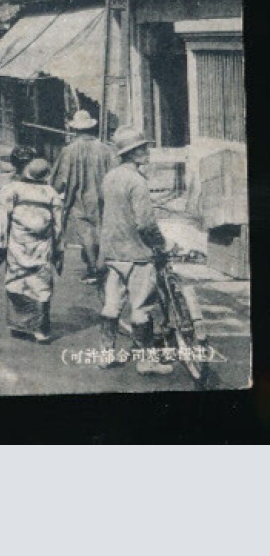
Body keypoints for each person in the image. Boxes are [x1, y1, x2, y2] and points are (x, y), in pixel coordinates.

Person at [98, 125, 174, 375]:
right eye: (141, 148)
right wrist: (161, 244)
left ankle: (105, 354)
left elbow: (106, 213)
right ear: (130, 153)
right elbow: (145, 223)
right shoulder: (137, 181)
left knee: (111, 306)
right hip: (138, 254)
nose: (146, 151)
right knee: (141, 309)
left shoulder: (110, 177)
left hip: (113, 252)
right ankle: (146, 361)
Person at [0, 155, 64, 344]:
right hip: (42, 246)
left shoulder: (12, 190)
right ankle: (41, 330)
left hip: (18, 245)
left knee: (17, 280)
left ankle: (20, 326)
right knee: (41, 285)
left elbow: (1, 222)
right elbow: (58, 226)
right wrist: (59, 250)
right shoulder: (51, 193)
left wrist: (0, 247)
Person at [52, 109, 117, 281]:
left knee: (86, 233)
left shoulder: (69, 150)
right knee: (101, 229)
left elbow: (61, 179)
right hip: (102, 196)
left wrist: (52, 193)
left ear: (75, 130)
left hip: (79, 198)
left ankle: (93, 268)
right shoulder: (106, 149)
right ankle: (102, 264)